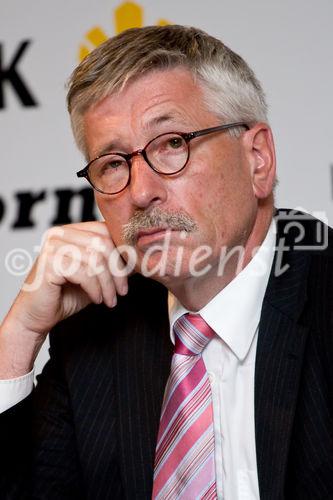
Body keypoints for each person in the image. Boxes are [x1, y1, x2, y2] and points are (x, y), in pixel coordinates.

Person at [0, 24, 332, 500]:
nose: (140, 192)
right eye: (114, 163)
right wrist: (18, 338)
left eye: (172, 143)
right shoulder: (95, 336)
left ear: (257, 159)